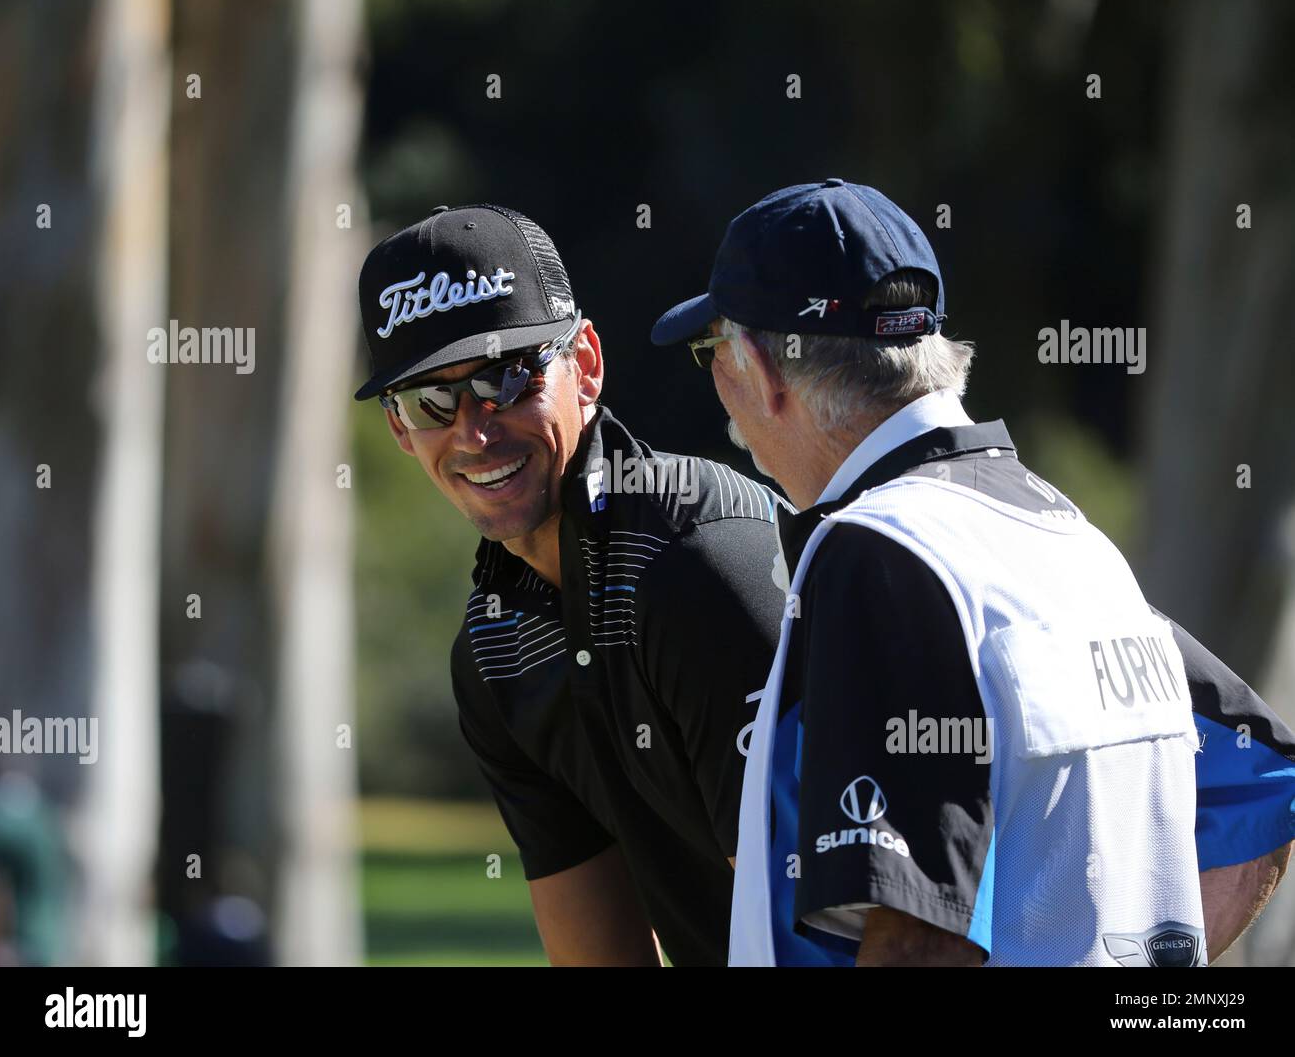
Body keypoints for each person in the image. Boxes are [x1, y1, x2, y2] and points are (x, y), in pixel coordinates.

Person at [650, 179, 1295, 966]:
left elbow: (920, 936)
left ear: (759, 367)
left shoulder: (882, 551)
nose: (717, 381)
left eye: (711, 348)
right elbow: (1264, 781)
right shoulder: (1068, 537)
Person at [354, 204, 788, 965]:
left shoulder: (695, 563)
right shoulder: (494, 650)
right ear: (399, 428)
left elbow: (828, 929)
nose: (475, 432)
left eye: (507, 378)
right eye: (432, 401)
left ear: (585, 364)